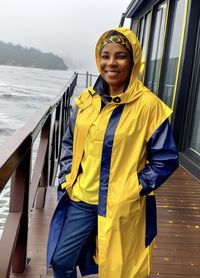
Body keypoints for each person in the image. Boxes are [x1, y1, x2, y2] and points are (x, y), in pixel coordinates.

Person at [46, 27, 179, 278]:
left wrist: (134, 187)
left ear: (132, 61)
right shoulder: (86, 100)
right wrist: (66, 175)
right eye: (106, 55)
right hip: (81, 198)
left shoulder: (149, 107)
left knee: (117, 270)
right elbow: (69, 143)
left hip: (121, 204)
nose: (111, 63)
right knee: (61, 261)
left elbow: (166, 159)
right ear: (99, 59)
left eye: (120, 56)